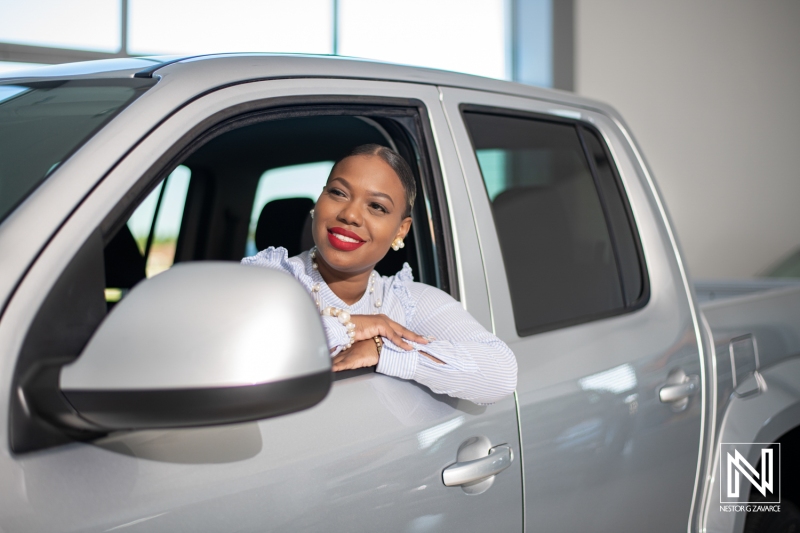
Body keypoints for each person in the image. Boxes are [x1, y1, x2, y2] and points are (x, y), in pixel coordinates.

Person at [241, 144, 516, 405]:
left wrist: (383, 350)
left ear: (401, 230)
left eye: (377, 207)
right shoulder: (268, 280)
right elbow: (249, 353)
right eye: (338, 193)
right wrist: (353, 326)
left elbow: (501, 374)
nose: (350, 215)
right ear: (319, 199)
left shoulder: (406, 301)